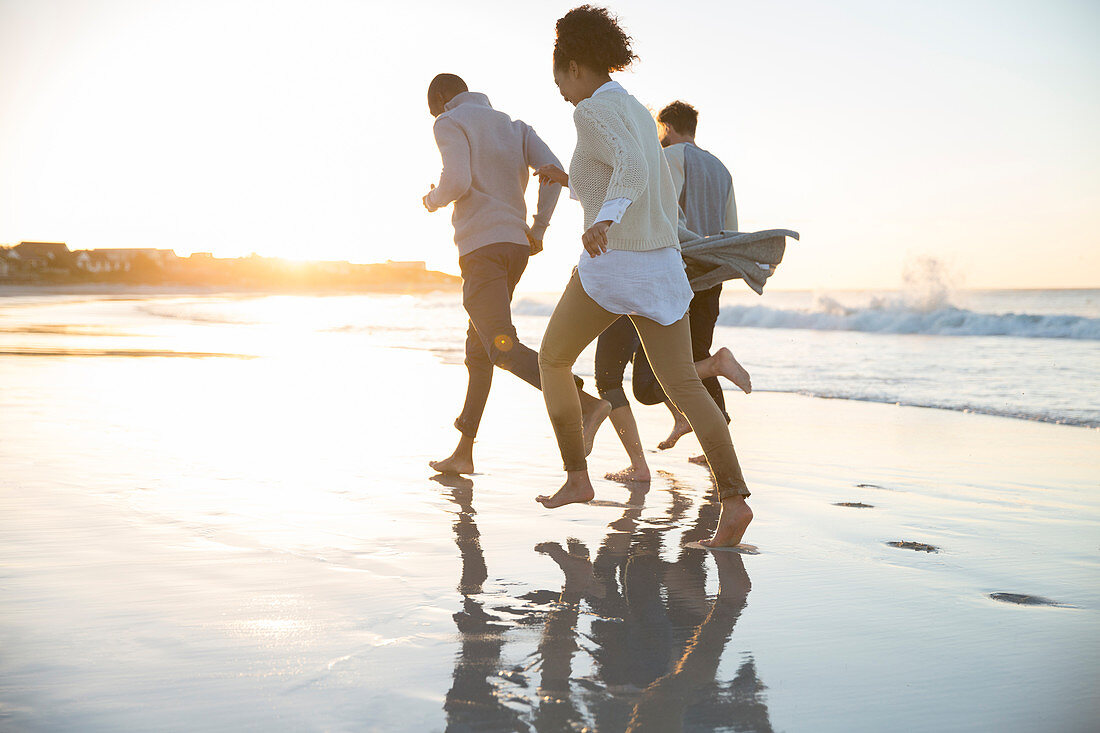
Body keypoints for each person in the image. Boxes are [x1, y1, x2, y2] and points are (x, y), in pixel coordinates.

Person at [533, 5, 754, 548]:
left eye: (559, 77)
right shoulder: (635, 108)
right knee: (682, 383)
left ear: (576, 66)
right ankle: (735, 501)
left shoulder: (591, 111)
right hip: (661, 267)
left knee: (552, 359)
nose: (560, 90)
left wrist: (605, 219)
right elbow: (639, 173)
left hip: (616, 262)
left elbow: (630, 170)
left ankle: (577, 477)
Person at [422, 73, 610, 476]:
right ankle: (463, 451)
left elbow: (456, 182)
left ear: (441, 98)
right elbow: (553, 171)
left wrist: (432, 200)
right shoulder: (514, 126)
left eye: (433, 109)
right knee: (480, 349)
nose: (434, 116)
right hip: (515, 247)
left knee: (501, 348)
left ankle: (585, 404)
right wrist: (539, 227)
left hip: (481, 250)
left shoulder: (449, 122)